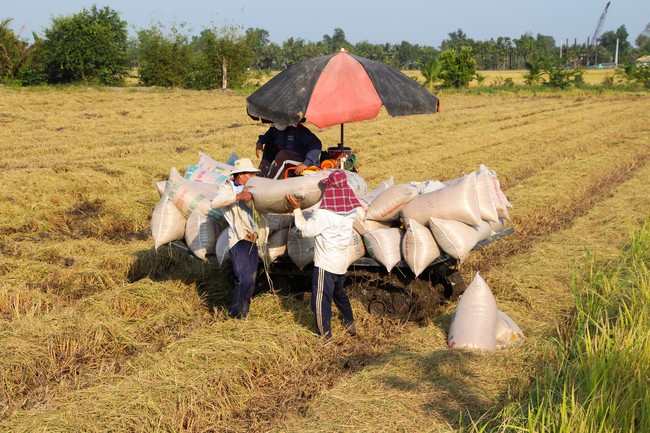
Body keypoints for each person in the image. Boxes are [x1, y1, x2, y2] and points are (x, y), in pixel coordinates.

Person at [285, 170, 361, 339]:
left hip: (325, 264)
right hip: (341, 262)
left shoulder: (325, 214)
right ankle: (349, 322)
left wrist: (297, 210)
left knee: (320, 301)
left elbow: (306, 231)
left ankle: (324, 336)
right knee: (339, 294)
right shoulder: (351, 210)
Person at [211, 158, 267, 319]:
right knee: (244, 279)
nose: (252, 176)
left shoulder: (255, 188)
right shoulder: (228, 189)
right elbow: (215, 203)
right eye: (249, 173)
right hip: (240, 240)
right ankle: (234, 314)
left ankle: (244, 314)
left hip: (254, 240)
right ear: (240, 175)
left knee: (251, 280)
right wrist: (238, 196)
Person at [255, 123, 322, 179]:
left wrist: (306, 163)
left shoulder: (299, 130)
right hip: (288, 156)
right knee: (270, 146)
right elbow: (269, 134)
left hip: (303, 160)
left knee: (283, 155)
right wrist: (260, 142)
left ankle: (270, 183)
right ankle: (260, 176)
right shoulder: (275, 127)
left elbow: (316, 144)